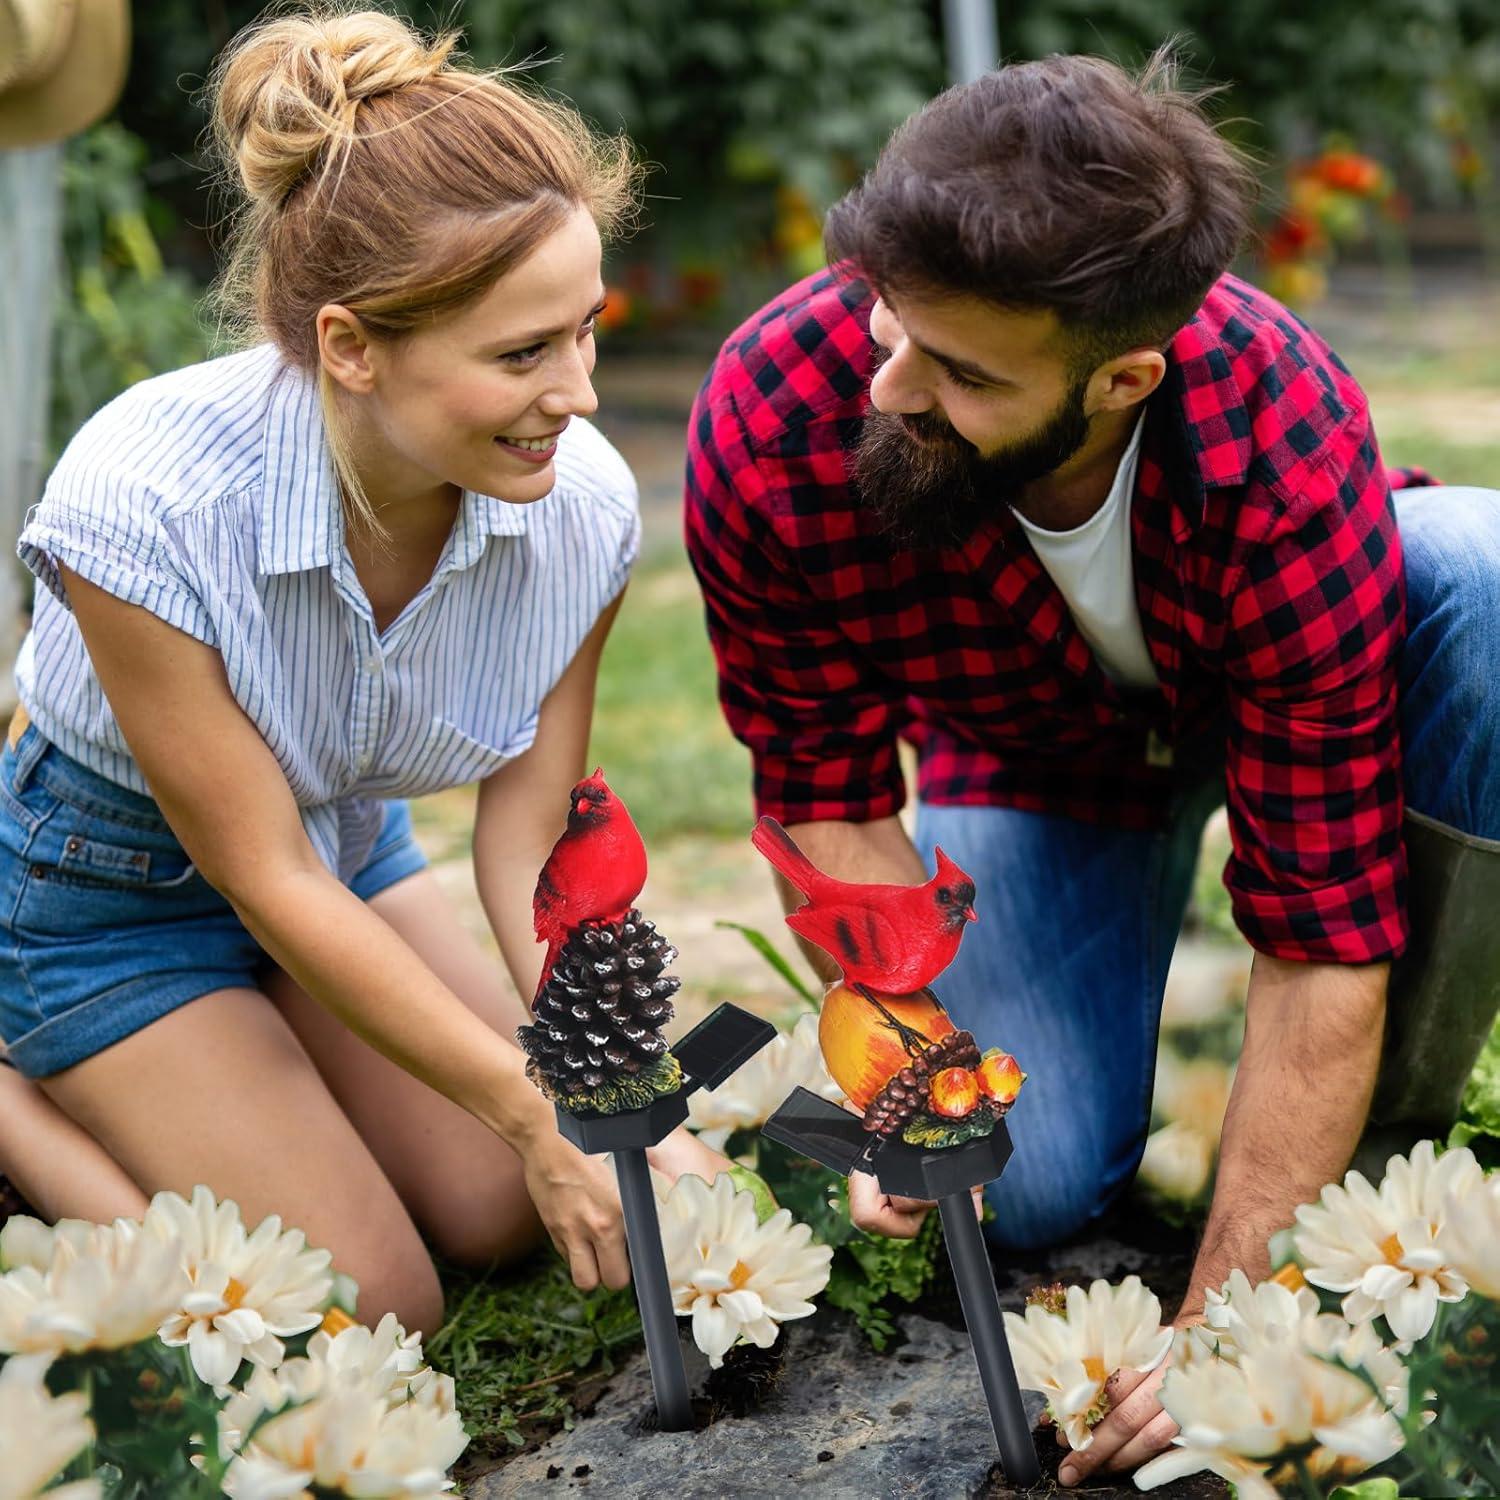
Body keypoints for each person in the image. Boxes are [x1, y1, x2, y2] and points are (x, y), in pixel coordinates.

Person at [685, 49, 1500, 1482]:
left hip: (1305, 698)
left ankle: (1382, 1154)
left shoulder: (1280, 436)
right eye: (889, 323)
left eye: (960, 372)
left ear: (1124, 376)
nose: (887, 385)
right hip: (1040, 761)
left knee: (1484, 577)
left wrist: (1230, 1320)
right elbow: (824, 792)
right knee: (1024, 1176)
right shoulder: (775, 412)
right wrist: (911, 1060)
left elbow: (1322, 938)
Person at [0, 7, 728, 1339]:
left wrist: (603, 1086)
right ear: (350, 347)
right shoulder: (145, 500)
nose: (577, 393)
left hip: (334, 851)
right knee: (357, 1307)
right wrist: (523, 1103)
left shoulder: (583, 514)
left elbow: (526, 831)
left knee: (501, 1210)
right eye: (522, 354)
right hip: (103, 892)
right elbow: (257, 873)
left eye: (586, 331)